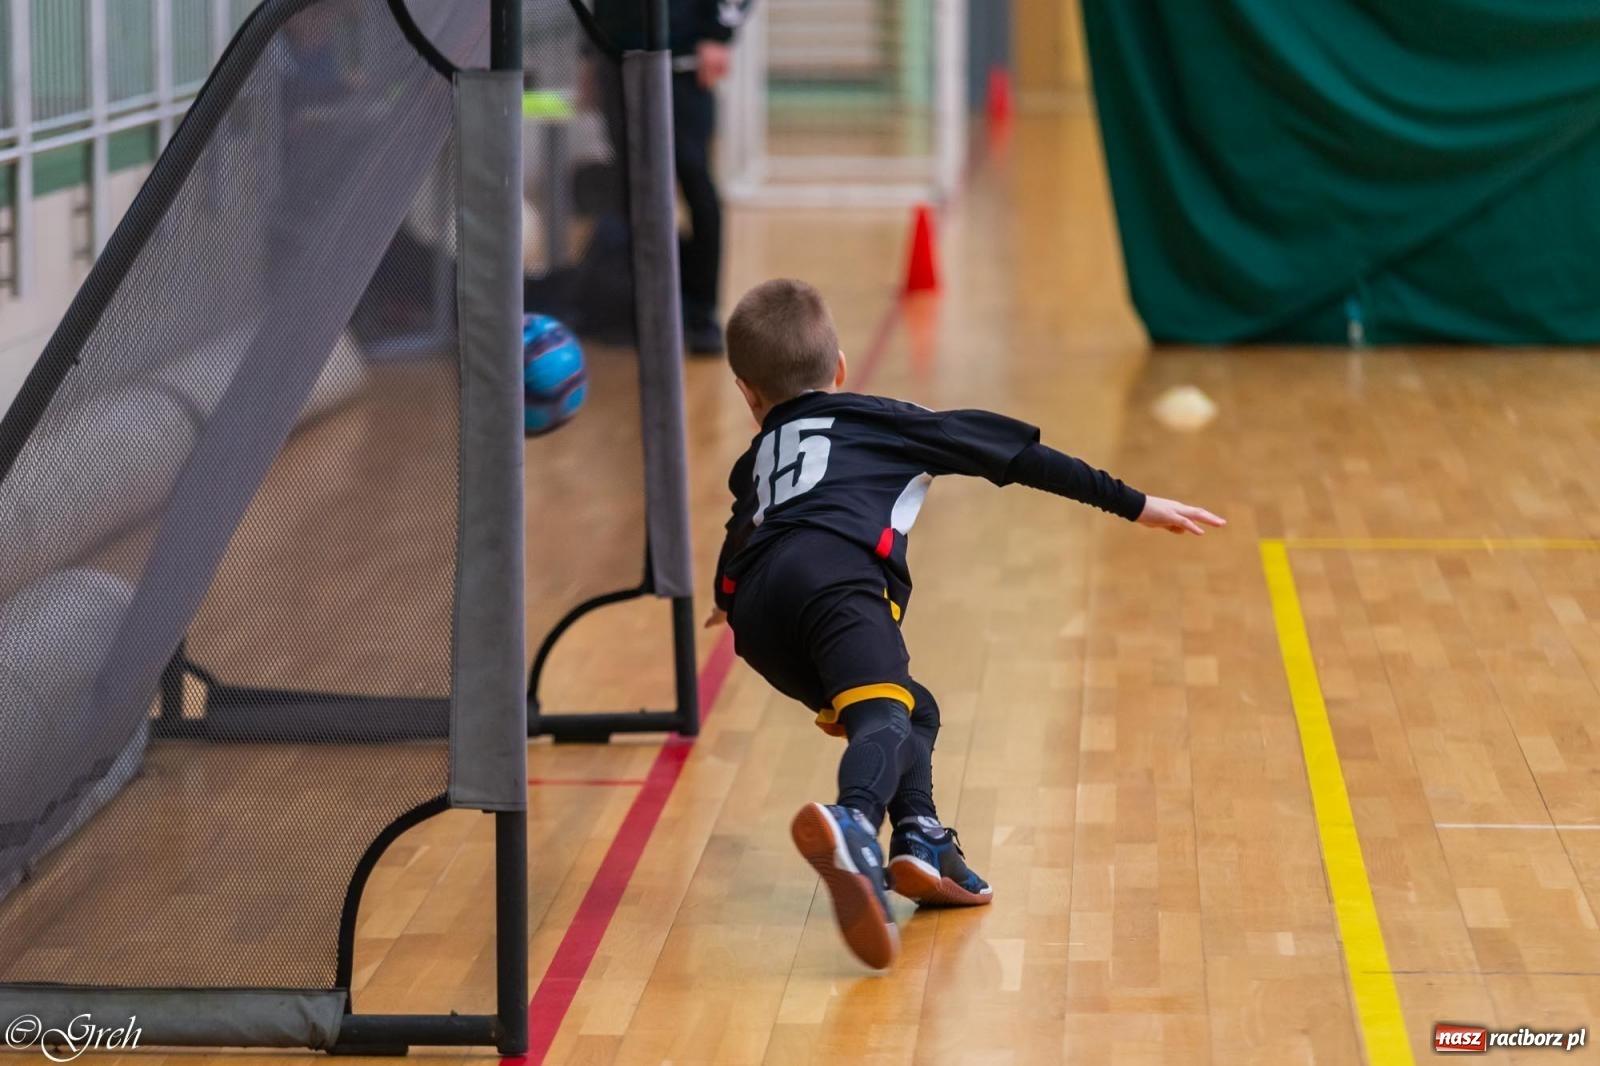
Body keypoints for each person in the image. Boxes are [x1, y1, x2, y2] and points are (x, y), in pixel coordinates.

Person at [705, 279, 1226, 969]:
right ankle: (855, 823)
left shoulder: (758, 457)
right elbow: (1017, 459)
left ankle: (920, 839)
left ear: (747, 393)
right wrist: (1133, 503)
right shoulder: (881, 417)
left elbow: (743, 529)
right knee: (884, 722)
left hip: (757, 616)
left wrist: (726, 592)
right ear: (839, 367)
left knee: (912, 710)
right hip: (834, 577)